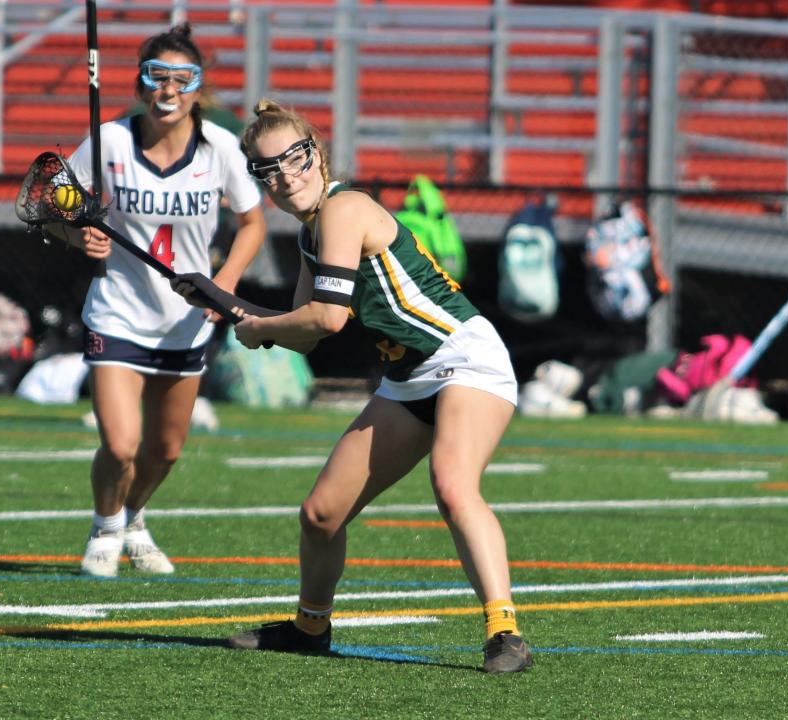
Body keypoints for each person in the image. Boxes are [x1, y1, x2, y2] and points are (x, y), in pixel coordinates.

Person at [175, 99, 531, 673]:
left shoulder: (343, 209)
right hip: (408, 378)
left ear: (315, 154)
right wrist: (221, 300)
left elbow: (328, 319)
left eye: (293, 160)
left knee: (452, 484)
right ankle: (310, 627)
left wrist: (259, 326)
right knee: (321, 513)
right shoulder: (311, 236)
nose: (285, 178)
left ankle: (504, 632)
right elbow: (300, 333)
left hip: (465, 358)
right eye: (267, 171)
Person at [48, 24, 265, 577]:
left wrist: (225, 284)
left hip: (186, 321)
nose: (168, 91)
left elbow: (252, 223)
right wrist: (78, 235)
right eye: (157, 77)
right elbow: (55, 207)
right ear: (142, 84)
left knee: (165, 451)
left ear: (199, 89)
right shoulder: (109, 142)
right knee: (121, 445)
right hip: (118, 312)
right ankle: (106, 527)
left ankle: (135, 517)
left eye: (182, 79)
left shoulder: (218, 150)